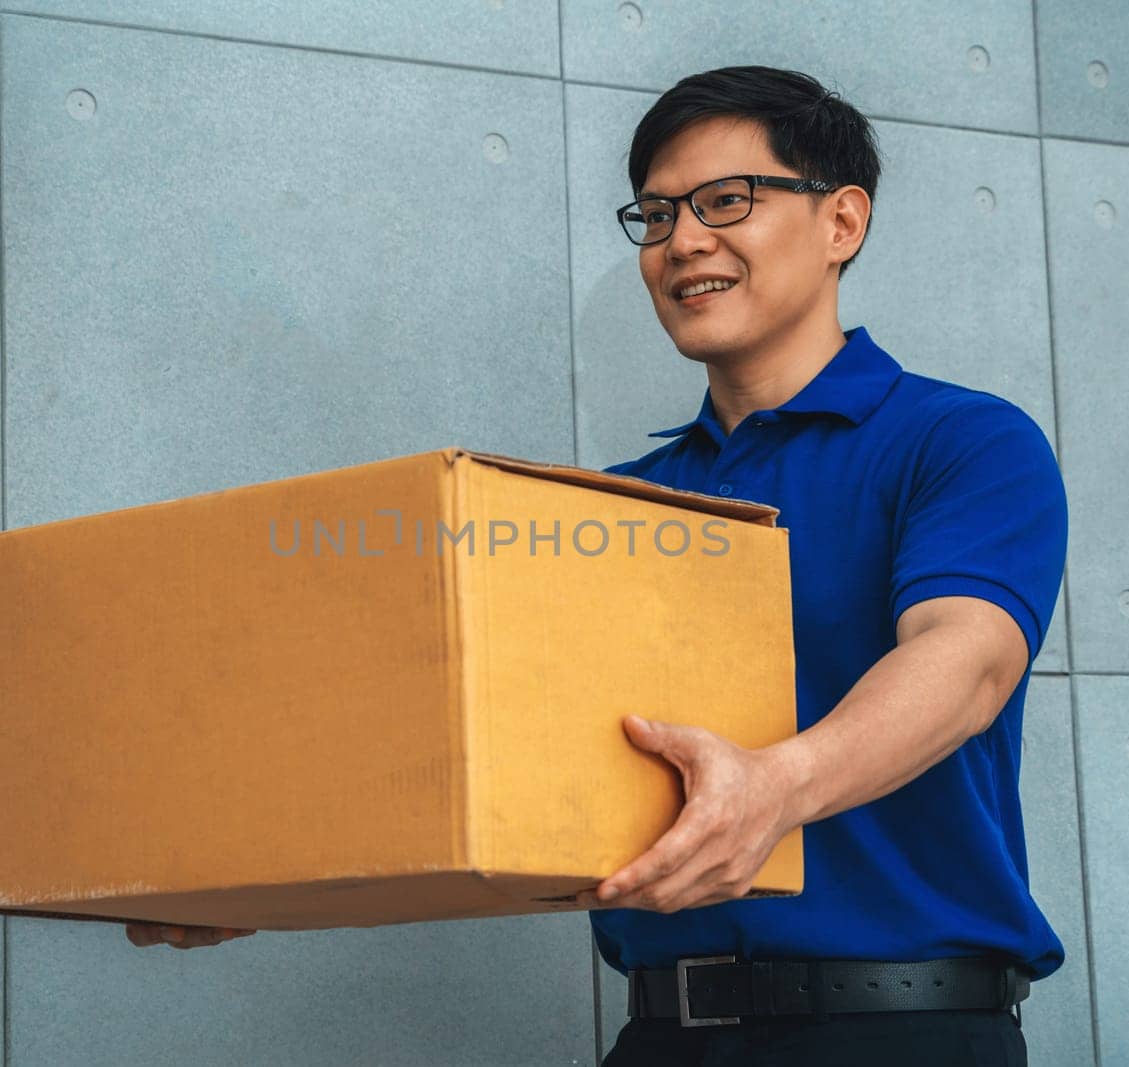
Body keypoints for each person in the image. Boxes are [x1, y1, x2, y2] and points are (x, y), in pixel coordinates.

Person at [131, 63, 1066, 1067]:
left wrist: (777, 785)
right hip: (659, 1036)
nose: (684, 241)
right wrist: (246, 866)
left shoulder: (959, 440)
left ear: (841, 222)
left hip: (900, 1032)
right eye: (657, 215)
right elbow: (475, 741)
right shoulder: (615, 507)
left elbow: (967, 660)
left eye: (726, 201)